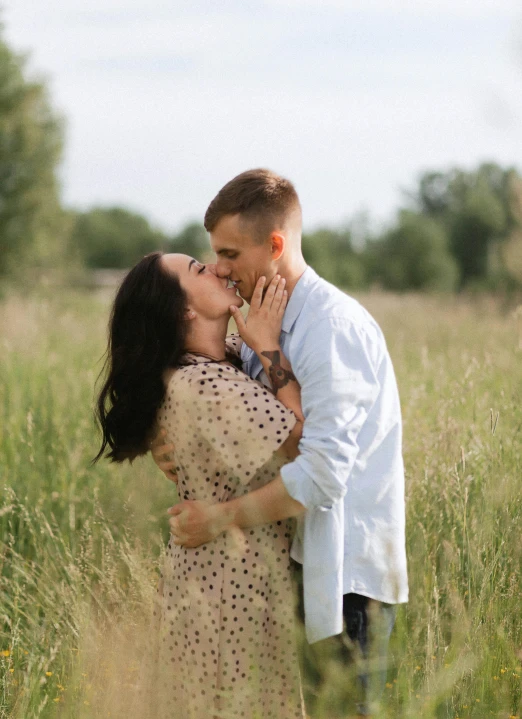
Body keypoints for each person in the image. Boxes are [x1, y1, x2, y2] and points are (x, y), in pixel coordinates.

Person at [161, 168, 409, 717]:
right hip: (296, 564)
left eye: (229, 254)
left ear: (275, 245)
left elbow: (322, 474)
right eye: (213, 256)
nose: (221, 270)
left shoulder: (331, 327)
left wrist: (220, 518)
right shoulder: (263, 325)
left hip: (346, 580)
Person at [93, 252, 307, 719]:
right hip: (232, 594)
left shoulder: (214, 363)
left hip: (220, 584)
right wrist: (270, 349)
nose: (216, 267)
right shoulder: (205, 383)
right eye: (198, 269)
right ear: (182, 311)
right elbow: (303, 447)